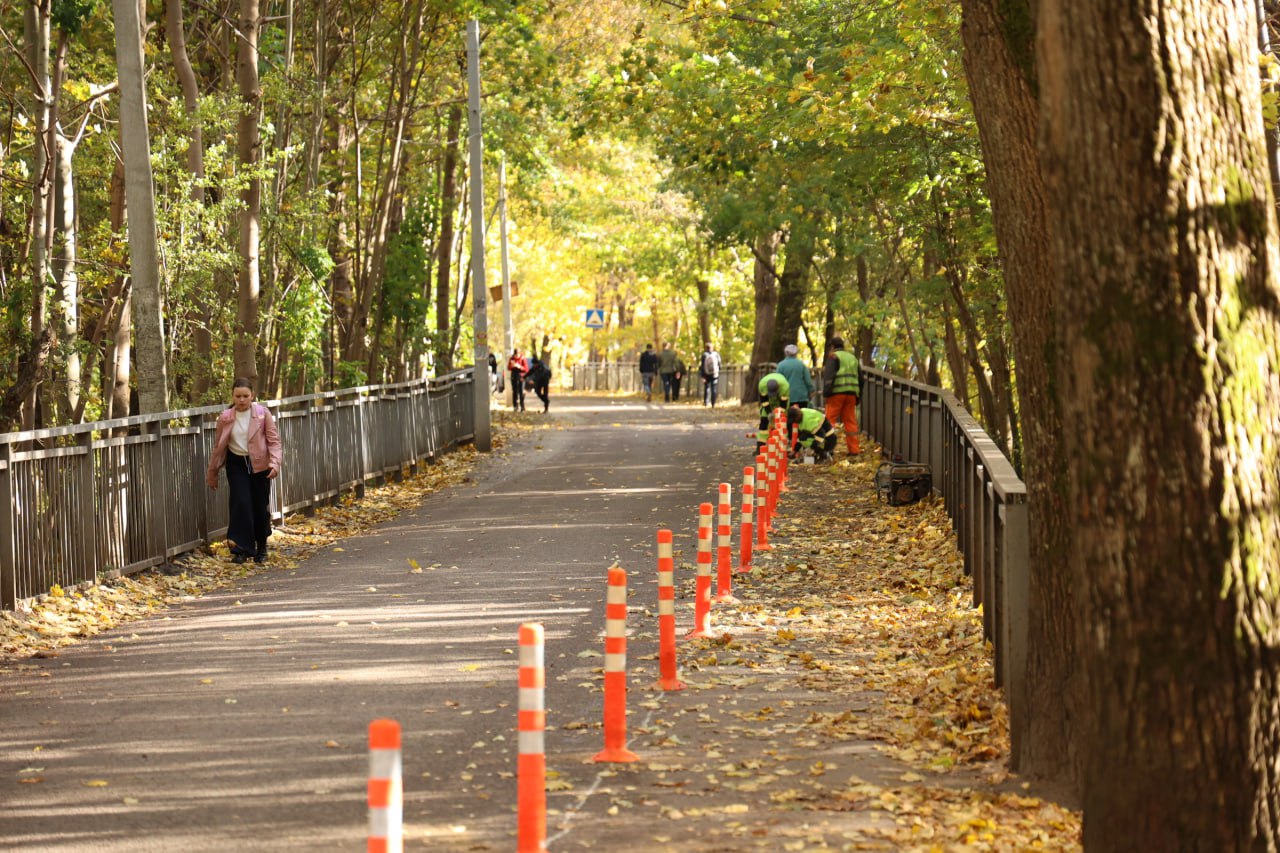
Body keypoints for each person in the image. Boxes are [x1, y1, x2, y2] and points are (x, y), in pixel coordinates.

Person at [206, 378, 282, 564]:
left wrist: (275, 463)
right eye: (238, 396)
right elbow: (219, 447)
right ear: (232, 396)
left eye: (245, 396)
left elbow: (274, 441)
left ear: (252, 396)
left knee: (259, 506)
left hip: (260, 464)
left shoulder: (263, 414)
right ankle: (241, 548)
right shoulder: (225, 417)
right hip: (236, 463)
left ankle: (261, 546)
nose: (241, 400)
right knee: (241, 503)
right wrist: (213, 472)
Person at [822, 337, 861, 455]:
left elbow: (829, 377)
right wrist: (858, 395)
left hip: (836, 394)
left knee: (829, 421)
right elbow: (861, 379)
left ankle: (828, 449)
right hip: (851, 394)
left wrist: (826, 393)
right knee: (850, 421)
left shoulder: (834, 357)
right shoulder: (853, 358)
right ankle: (854, 450)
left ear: (833, 346)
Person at [756, 371, 790, 452]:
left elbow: (783, 405)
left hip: (780, 401)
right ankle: (760, 447)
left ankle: (781, 447)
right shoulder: (762, 385)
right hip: (769, 401)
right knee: (764, 422)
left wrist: (777, 415)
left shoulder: (785, 386)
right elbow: (764, 401)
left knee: (782, 421)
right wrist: (769, 413)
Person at [776, 343, 814, 408]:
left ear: (786, 353)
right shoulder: (801, 365)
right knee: (801, 415)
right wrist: (811, 391)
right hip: (801, 397)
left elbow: (777, 381)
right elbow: (808, 380)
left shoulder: (781, 365)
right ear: (796, 353)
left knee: (788, 416)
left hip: (786, 396)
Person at [699, 342, 721, 407]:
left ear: (706, 348)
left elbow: (702, 366)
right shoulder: (716, 354)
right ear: (712, 348)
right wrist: (718, 370)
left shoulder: (704, 355)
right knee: (713, 387)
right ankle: (713, 403)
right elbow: (719, 364)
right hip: (714, 373)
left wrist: (702, 376)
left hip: (706, 374)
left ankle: (706, 402)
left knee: (707, 387)